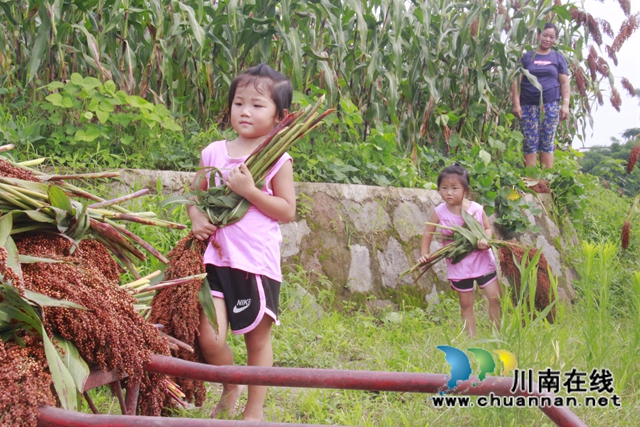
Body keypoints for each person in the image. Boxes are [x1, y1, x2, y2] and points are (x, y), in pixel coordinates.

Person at [188, 63, 296, 421]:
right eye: (239, 103)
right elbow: (195, 197)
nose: (245, 111)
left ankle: (254, 412)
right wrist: (197, 218)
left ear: (280, 116)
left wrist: (250, 191)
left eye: (257, 105)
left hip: (254, 264)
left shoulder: (277, 159)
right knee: (210, 338)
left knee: (256, 341)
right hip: (214, 260)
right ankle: (230, 387)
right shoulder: (213, 152)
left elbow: (286, 210)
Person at [420, 164, 501, 337]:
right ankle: (471, 339)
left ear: (465, 190)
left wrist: (484, 240)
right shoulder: (440, 212)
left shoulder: (476, 209)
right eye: (444, 188)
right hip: (459, 264)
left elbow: (487, 228)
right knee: (466, 303)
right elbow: (428, 232)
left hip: (482, 261)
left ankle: (498, 334)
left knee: (495, 297)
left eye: (454, 188)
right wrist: (425, 254)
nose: (448, 192)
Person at [511, 23, 570, 169]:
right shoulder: (527, 57)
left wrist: (565, 105)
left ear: (555, 39)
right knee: (530, 141)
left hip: (550, 105)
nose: (548, 39)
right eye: (545, 35)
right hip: (528, 105)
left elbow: (564, 82)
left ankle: (546, 181)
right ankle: (531, 181)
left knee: (547, 141)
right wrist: (516, 104)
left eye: (552, 37)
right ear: (538, 35)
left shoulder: (557, 58)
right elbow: (516, 82)